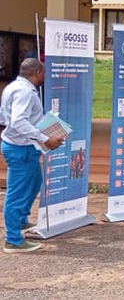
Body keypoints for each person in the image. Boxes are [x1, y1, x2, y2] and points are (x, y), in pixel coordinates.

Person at [1, 59, 66, 253]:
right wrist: (45, 138)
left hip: (23, 146)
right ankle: (12, 240)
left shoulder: (13, 87)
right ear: (37, 72)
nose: (45, 77)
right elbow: (18, 122)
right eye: (44, 73)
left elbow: (6, 118)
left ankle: (20, 221)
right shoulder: (25, 92)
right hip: (21, 148)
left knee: (35, 182)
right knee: (17, 193)